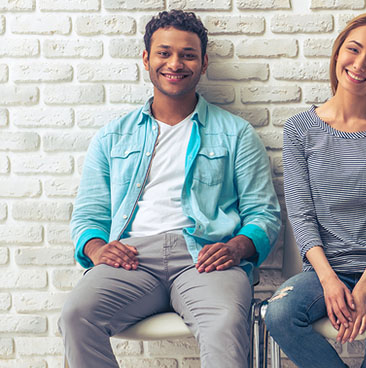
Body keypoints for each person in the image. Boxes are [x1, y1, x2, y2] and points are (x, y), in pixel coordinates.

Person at [59, 9, 281, 368]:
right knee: (76, 315)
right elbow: (89, 213)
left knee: (225, 325)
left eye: (188, 54)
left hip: (206, 259)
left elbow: (264, 214)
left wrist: (236, 248)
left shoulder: (237, 134)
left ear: (203, 63)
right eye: (164, 52)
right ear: (146, 58)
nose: (175, 63)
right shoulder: (113, 136)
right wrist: (98, 248)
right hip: (131, 259)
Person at [263, 12, 366, 368]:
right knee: (278, 314)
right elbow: (301, 216)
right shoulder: (299, 130)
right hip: (324, 270)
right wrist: (329, 280)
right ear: (337, 54)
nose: (360, 64)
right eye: (353, 50)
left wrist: (364, 288)